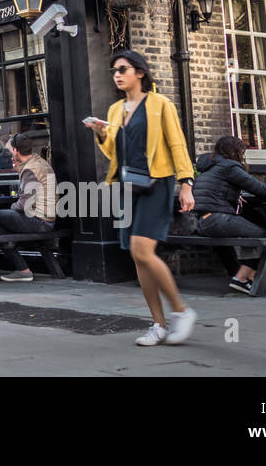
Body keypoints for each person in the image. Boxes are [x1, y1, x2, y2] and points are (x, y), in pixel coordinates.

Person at [86, 50, 197, 347]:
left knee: (142, 250)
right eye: (114, 71)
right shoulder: (114, 110)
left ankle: (182, 311)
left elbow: (177, 144)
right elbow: (114, 153)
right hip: (127, 185)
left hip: (158, 183)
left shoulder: (160, 105)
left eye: (123, 69)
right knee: (138, 257)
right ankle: (158, 325)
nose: (117, 75)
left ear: (140, 72)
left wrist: (186, 183)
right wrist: (100, 134)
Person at [192, 135, 266, 294]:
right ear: (237, 151)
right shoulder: (229, 167)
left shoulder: (211, 166)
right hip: (216, 219)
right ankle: (241, 279)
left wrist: (235, 197)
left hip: (203, 220)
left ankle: (250, 278)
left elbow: (215, 191)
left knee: (260, 233)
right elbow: (261, 190)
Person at [0, 133, 57, 282]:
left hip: (39, 221)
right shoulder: (38, 162)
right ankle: (22, 270)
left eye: (10, 151)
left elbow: (25, 204)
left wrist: (11, 209)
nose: (9, 155)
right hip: (45, 219)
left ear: (16, 151)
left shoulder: (31, 169)